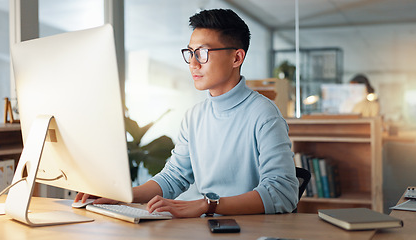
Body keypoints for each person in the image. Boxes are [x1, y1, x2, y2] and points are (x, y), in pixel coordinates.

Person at [75, 8, 298, 218]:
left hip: (248, 230)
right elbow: (174, 178)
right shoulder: (195, 116)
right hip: (206, 226)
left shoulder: (264, 114)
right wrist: (123, 196)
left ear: (236, 58)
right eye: (190, 53)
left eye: (202, 53)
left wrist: (207, 205)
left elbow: (282, 193)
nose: (192, 63)